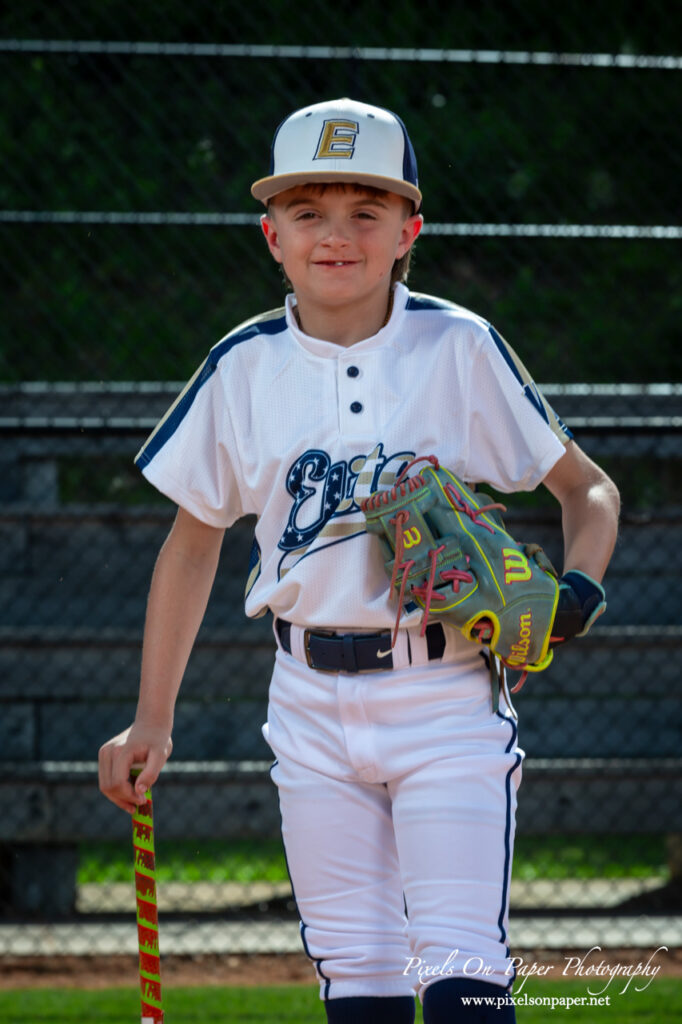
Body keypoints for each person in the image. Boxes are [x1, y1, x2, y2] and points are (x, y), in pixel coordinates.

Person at [98, 98, 620, 1022]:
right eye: (308, 213)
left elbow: (589, 491)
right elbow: (191, 544)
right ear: (272, 236)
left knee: (463, 969)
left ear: (408, 230)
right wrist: (151, 720)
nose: (335, 235)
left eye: (365, 212)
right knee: (359, 981)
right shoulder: (244, 367)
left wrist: (576, 591)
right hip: (305, 703)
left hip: (445, 694)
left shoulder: (456, 346)